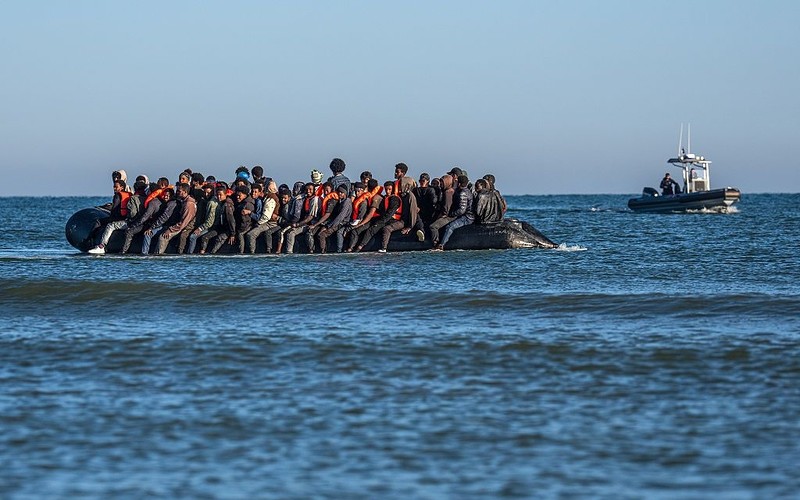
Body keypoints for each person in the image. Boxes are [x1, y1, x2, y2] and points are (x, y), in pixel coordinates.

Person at [87, 179, 133, 254]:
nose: (114, 188)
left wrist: (111, 217)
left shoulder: (117, 196)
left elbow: (114, 208)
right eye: (113, 187)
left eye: (116, 187)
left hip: (119, 219)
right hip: (127, 219)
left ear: (122, 187)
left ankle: (96, 243)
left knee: (101, 222)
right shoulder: (129, 195)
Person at [354, 181, 401, 253]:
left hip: (393, 219)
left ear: (393, 189)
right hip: (384, 219)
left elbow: (390, 213)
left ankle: (362, 247)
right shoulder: (384, 198)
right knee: (371, 225)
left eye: (389, 189)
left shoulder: (394, 199)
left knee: (374, 229)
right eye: (386, 189)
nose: (387, 191)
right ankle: (357, 246)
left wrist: (380, 222)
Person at [155, 183, 198, 254]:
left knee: (163, 237)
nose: (177, 192)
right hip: (181, 225)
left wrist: (170, 230)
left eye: (179, 191)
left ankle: (158, 256)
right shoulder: (183, 201)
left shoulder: (189, 204)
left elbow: (183, 223)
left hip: (186, 227)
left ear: (185, 192)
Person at [436, 175, 475, 250]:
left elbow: (462, 210)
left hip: (467, 217)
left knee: (450, 227)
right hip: (467, 216)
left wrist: (450, 215)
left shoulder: (463, 193)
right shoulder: (467, 191)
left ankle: (441, 245)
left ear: (459, 183)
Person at [345, 179, 382, 252]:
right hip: (364, 219)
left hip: (372, 220)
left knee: (354, 231)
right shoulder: (362, 198)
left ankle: (352, 248)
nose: (357, 193)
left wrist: (358, 225)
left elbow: (365, 216)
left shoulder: (365, 201)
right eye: (355, 191)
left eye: (358, 191)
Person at [282, 183, 320, 254]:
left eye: (310, 189)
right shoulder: (303, 198)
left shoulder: (315, 200)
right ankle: (289, 252)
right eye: (307, 189)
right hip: (304, 223)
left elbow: (310, 217)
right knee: (290, 232)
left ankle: (311, 251)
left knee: (308, 233)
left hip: (313, 223)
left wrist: (297, 224)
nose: (308, 191)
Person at [245, 181, 281, 253]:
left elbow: (266, 216)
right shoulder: (268, 197)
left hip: (270, 223)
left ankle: (252, 253)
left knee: (251, 235)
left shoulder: (271, 199)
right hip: (267, 221)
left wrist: (258, 223)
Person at [316, 184, 353, 253]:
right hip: (337, 222)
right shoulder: (341, 201)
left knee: (322, 234)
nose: (340, 193)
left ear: (345, 193)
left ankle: (324, 251)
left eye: (342, 192)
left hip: (342, 223)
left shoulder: (347, 201)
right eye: (339, 192)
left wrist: (329, 226)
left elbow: (341, 217)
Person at [199, 184, 235, 254]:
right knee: (205, 237)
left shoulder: (227, 205)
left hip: (227, 229)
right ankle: (202, 253)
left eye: (220, 195)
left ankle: (213, 254)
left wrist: (232, 234)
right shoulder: (220, 203)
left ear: (225, 195)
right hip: (220, 228)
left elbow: (231, 220)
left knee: (219, 239)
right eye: (217, 195)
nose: (219, 197)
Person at [141, 188, 178, 254]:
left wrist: (151, 228)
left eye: (167, 196)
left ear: (171, 196)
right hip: (166, 225)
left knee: (148, 234)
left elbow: (164, 218)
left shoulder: (171, 204)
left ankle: (144, 253)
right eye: (164, 195)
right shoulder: (169, 203)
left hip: (169, 226)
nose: (165, 197)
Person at [187, 182, 219, 254]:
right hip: (206, 224)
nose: (206, 194)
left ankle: (190, 254)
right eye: (205, 192)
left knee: (193, 236)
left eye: (209, 193)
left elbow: (210, 222)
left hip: (212, 226)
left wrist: (200, 228)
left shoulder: (212, 203)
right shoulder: (204, 201)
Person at [306, 182, 337, 253]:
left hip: (330, 223)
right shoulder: (324, 199)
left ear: (331, 190)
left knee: (320, 234)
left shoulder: (332, 200)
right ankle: (311, 250)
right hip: (323, 222)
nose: (326, 192)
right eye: (324, 190)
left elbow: (327, 215)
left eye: (327, 190)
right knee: (309, 232)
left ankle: (323, 251)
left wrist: (315, 225)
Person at [428, 174, 456, 248]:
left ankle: (435, 243)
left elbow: (447, 207)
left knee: (433, 227)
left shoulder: (448, 193)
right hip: (449, 214)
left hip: (448, 216)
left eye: (442, 183)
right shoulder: (449, 191)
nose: (441, 185)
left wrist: (442, 215)